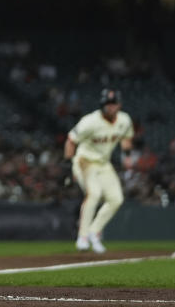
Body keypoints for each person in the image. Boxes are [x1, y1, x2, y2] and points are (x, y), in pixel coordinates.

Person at [64, 88, 133, 253]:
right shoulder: (90, 121)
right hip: (84, 160)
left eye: (113, 104)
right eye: (107, 104)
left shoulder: (124, 120)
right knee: (94, 193)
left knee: (116, 199)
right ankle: (83, 237)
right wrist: (67, 166)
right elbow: (71, 140)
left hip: (103, 163)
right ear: (102, 105)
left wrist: (127, 155)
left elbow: (126, 137)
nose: (110, 107)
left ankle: (94, 232)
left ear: (119, 105)